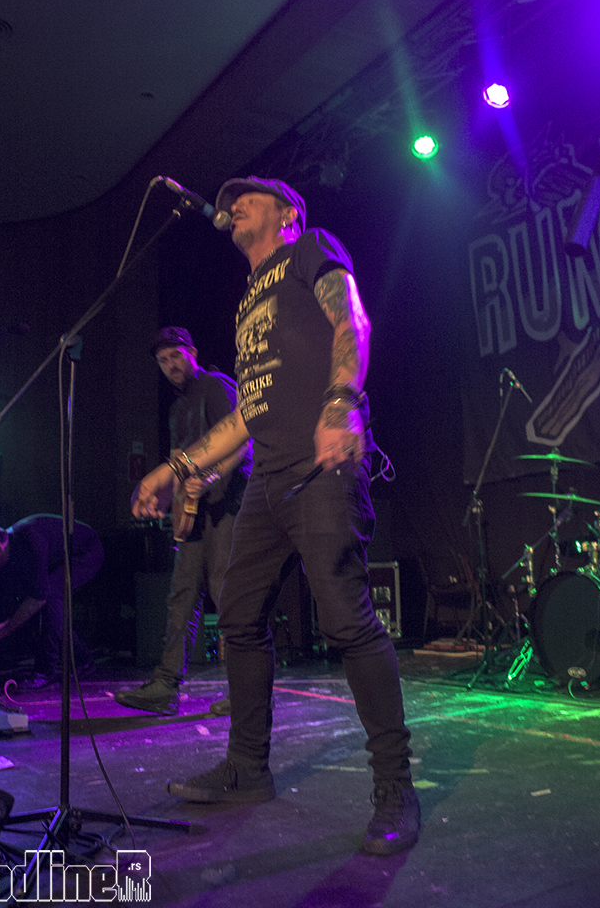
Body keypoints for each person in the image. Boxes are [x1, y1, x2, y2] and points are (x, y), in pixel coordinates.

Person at [131, 177, 420, 857]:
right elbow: (246, 415)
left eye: (249, 197)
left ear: (286, 213)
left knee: (346, 618)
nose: (232, 204)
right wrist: (174, 469)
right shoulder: (246, 303)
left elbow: (352, 319)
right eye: (229, 200)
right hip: (267, 480)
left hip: (321, 466)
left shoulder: (309, 249)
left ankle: (393, 785)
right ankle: (246, 767)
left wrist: (341, 401)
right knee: (237, 615)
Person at [115, 327, 251, 716]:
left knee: (229, 595)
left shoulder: (215, 385)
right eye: (163, 361)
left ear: (192, 352)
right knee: (181, 596)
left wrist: (210, 478)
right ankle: (165, 686)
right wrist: (164, 499)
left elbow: (242, 441)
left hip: (229, 504)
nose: (170, 365)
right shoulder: (176, 409)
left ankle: (248, 690)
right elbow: (180, 464)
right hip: (196, 514)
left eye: (176, 355)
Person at [0, 514, 104, 686]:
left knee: (49, 596)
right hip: (57, 558)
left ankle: (45, 672)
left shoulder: (31, 541)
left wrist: (4, 629)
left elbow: (39, 598)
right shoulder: (0, 559)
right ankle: (83, 661)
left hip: (86, 553)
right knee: (39, 603)